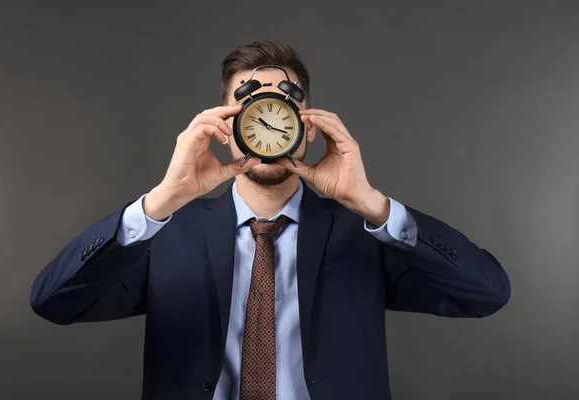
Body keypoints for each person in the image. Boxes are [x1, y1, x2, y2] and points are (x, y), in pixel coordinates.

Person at [30, 40, 511, 400]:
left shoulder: (362, 233)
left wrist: (374, 204)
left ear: (306, 124)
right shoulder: (167, 231)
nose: (267, 119)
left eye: (283, 106)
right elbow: (53, 301)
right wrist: (159, 202)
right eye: (250, 107)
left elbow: (486, 293)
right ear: (226, 128)